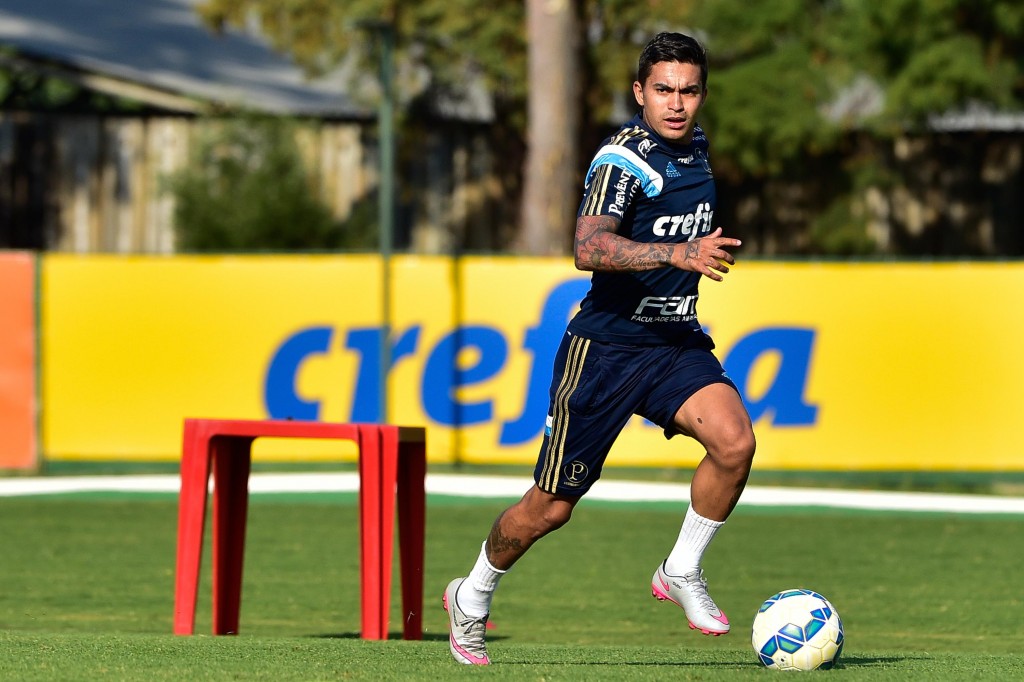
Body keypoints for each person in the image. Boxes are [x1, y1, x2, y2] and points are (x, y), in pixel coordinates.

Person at [442, 31, 756, 665]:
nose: (676, 103)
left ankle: (680, 569)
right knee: (550, 508)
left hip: (672, 341)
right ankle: (471, 597)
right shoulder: (622, 160)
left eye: (689, 91)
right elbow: (587, 248)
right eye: (663, 90)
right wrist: (678, 253)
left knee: (735, 442)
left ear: (702, 96)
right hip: (605, 352)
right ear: (639, 92)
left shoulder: (694, 147)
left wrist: (681, 276)